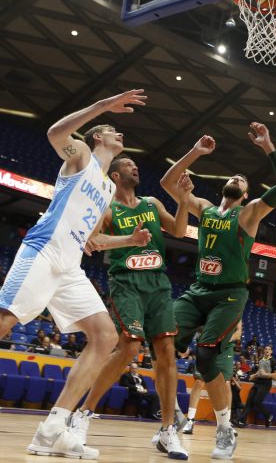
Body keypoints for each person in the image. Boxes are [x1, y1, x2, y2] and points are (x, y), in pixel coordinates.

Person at [0, 89, 150, 459]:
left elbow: (92, 240)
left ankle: (54, 425)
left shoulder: (108, 187)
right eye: (114, 130)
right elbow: (54, 134)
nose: (121, 136)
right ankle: (54, 427)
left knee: (104, 335)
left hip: (69, 265)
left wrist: (128, 239)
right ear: (98, 136)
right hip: (43, 250)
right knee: (4, 321)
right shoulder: (81, 156)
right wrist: (102, 106)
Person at [160, 122, 276, 459]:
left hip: (230, 294)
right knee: (162, 341)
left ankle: (224, 429)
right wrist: (196, 153)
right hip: (198, 289)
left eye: (242, 180)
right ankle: (170, 417)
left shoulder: (249, 213)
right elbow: (167, 183)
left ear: (246, 194)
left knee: (205, 356)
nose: (236, 178)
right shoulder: (203, 208)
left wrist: (268, 145)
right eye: (233, 177)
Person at [71, 154, 193, 460]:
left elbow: (178, 231)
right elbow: (93, 239)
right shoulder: (108, 207)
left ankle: (167, 431)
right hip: (126, 282)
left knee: (166, 350)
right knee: (128, 346)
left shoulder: (151, 202)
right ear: (114, 176)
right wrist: (131, 239)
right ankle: (83, 414)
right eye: (126, 164)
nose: (134, 166)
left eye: (134, 164)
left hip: (158, 282)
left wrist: (184, 200)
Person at [182, 321, 242, 436]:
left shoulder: (236, 306)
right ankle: (190, 420)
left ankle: (225, 424)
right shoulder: (210, 305)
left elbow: (238, 332)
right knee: (199, 381)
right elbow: (196, 325)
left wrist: (228, 338)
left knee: (226, 383)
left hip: (226, 348)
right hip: (207, 343)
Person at [238, 344, 276, 428]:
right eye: (266, 349)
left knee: (257, 401)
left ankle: (268, 416)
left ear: (271, 351)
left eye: (269, 349)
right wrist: (254, 375)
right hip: (257, 382)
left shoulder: (273, 361)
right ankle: (241, 421)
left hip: (266, 383)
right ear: (264, 351)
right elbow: (260, 372)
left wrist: (266, 374)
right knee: (249, 401)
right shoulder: (261, 360)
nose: (267, 350)